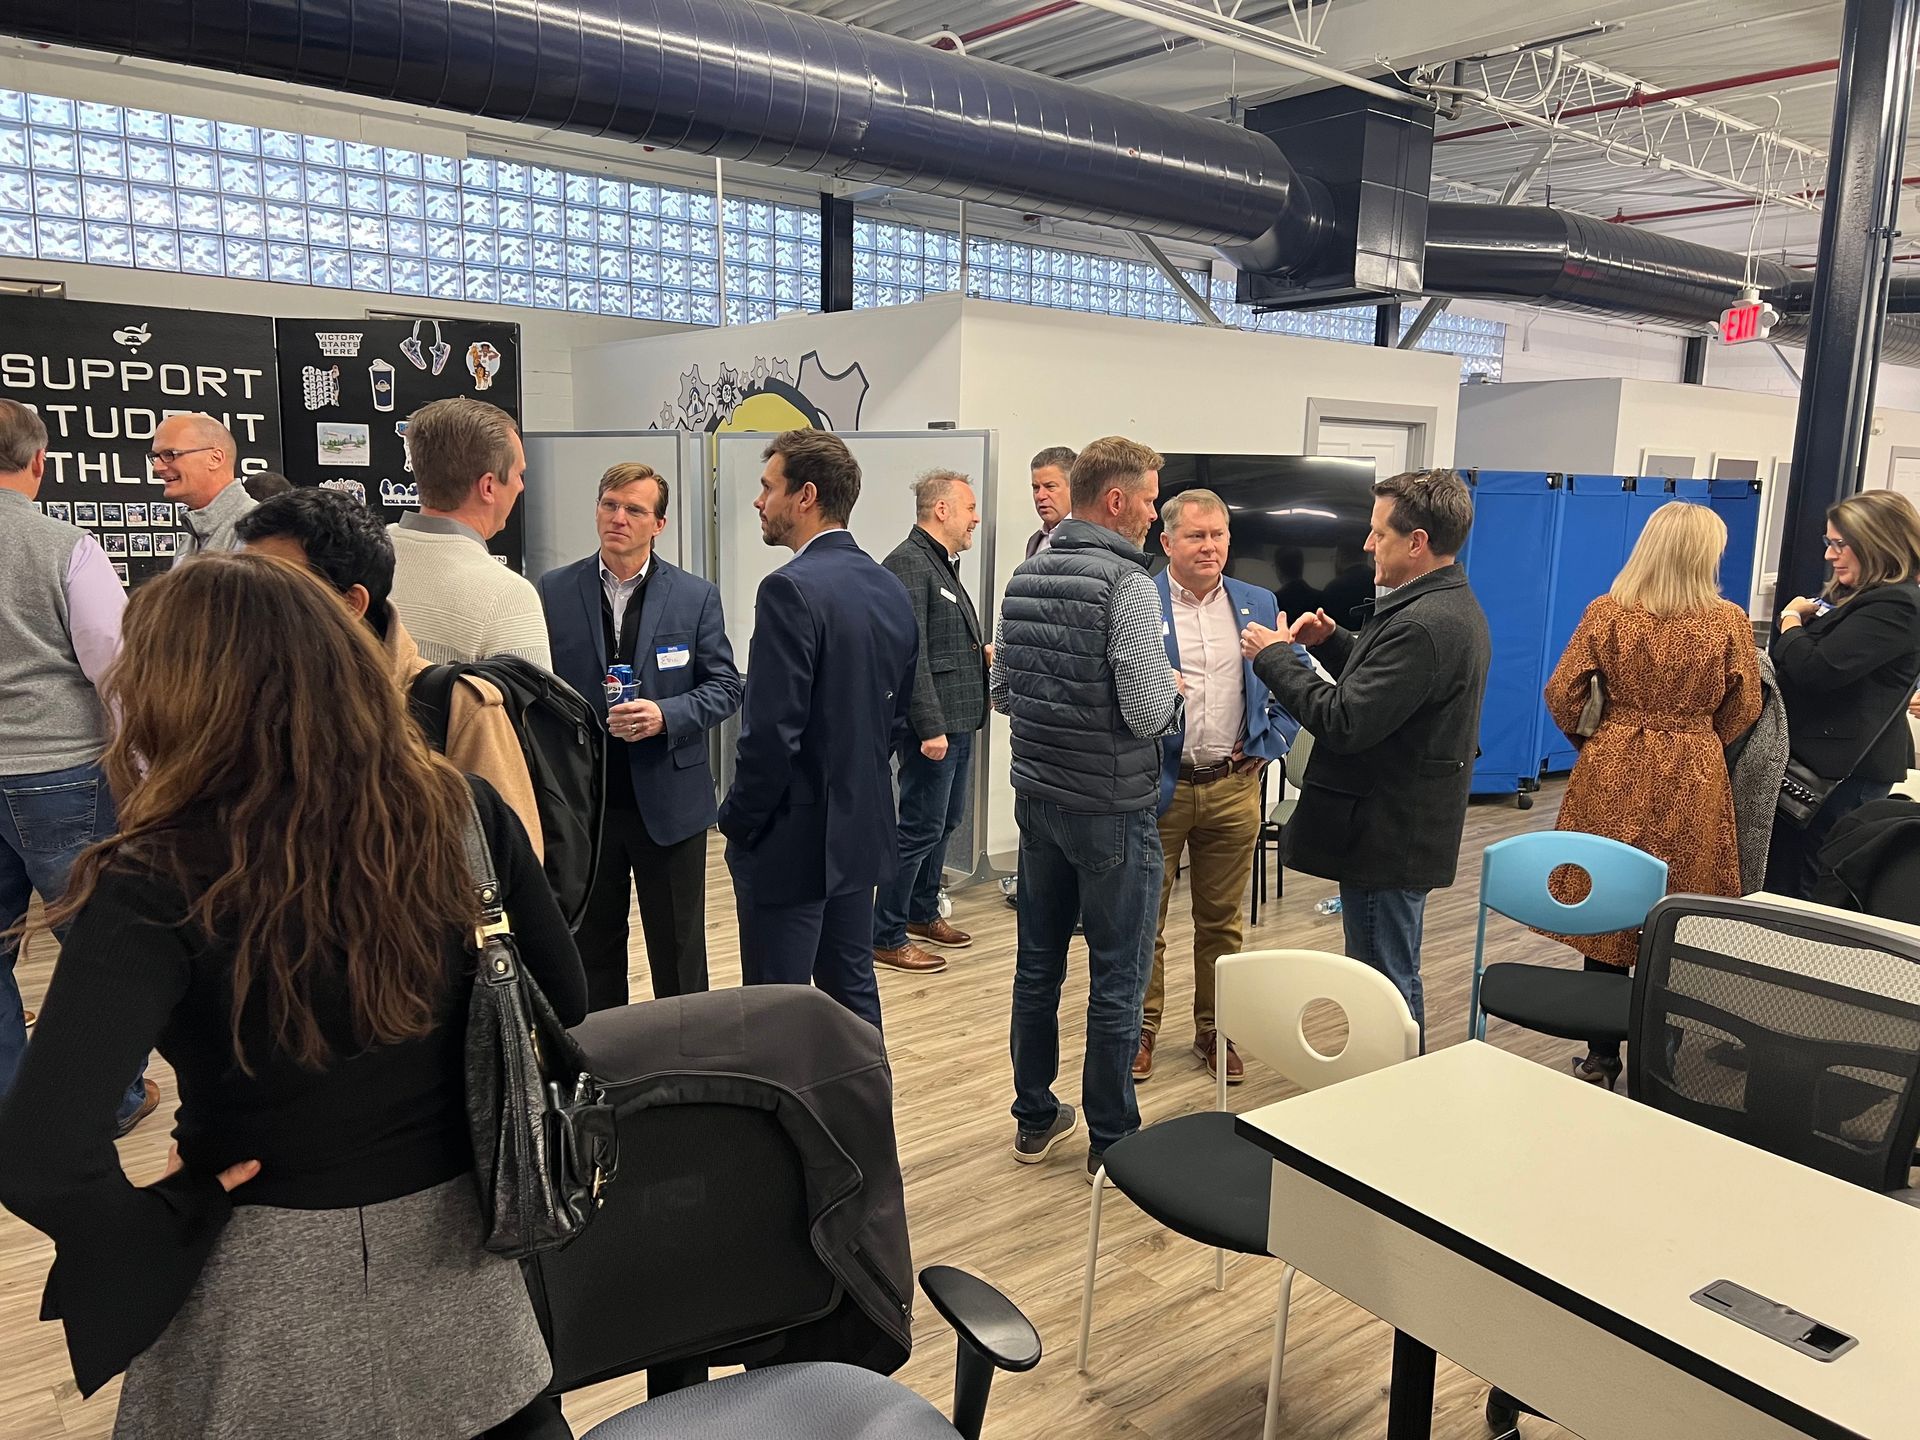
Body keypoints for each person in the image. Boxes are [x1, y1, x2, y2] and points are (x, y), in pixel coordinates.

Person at [0, 553, 585, 1438]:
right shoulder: (459, 812)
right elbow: (561, 997)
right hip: (466, 1267)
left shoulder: (159, 871)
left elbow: (39, 1152)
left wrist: (162, 1221)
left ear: (174, 693)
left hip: (256, 1278)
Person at [1240, 469, 1490, 1041]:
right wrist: (1332, 642)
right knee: (1388, 970)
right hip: (1397, 825)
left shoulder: (1425, 623)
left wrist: (1274, 657)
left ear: (1417, 541)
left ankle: (1393, 1099)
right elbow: (1393, 689)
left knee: (1385, 981)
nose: (1366, 545)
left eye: (1378, 534)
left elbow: (1345, 721)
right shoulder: (1440, 605)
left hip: (1387, 833)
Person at [992, 435, 1183, 1179]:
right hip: (1110, 810)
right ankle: (1113, 1139)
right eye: (1149, 498)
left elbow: (1004, 694)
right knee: (1118, 976)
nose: (1154, 512)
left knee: (1037, 968)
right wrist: (1174, 697)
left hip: (1038, 803)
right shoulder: (1128, 587)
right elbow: (1142, 713)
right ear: (1115, 501)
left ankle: (1034, 1116)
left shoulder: (1025, 576)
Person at [1539, 501, 1761, 1087]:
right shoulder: (1728, 620)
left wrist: (1599, 738)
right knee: (1681, 902)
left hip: (1613, 764)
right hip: (1694, 768)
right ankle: (1661, 1056)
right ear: (1702, 554)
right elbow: (1746, 705)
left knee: (1605, 907)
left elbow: (1562, 691)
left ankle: (1601, 1056)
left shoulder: (1607, 613)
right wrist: (1698, 736)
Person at [719, 430, 918, 1032]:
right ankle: (864, 1124)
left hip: (789, 839)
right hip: (860, 831)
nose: (758, 501)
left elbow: (770, 735)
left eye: (767, 487)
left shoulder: (788, 590)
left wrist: (738, 821)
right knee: (852, 997)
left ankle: (783, 1128)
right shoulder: (890, 587)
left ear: (805, 496)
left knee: (774, 1013)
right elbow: (896, 720)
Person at [0, 400, 158, 1138]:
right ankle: (115, 1100)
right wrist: (142, 767)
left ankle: (9, 1110)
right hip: (62, 775)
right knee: (102, 945)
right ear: (38, 462)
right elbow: (114, 666)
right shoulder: (65, 546)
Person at [236, 487, 544, 856]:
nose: (249, 605)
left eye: (277, 588)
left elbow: (511, 873)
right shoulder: (232, 701)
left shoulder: (458, 708)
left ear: (351, 603)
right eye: (245, 581)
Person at [538, 462, 742, 1009]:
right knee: (593, 950)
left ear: (660, 524)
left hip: (671, 805)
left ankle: (687, 1066)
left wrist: (666, 714)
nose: (618, 518)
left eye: (634, 510)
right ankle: (605, 1068)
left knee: (678, 954)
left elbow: (726, 686)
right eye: (609, 505)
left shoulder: (695, 597)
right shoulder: (554, 591)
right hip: (587, 805)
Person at [1139, 489, 1300, 1087]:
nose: (1210, 547)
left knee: (1222, 923)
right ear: (1168, 542)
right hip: (1161, 789)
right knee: (1143, 921)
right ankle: (1142, 1028)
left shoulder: (1258, 602)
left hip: (1234, 789)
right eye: (1196, 536)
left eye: (1219, 535)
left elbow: (1291, 681)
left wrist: (1269, 743)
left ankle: (1215, 1029)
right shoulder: (1140, 600)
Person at [1766, 489, 1920, 897]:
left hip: (1843, 773)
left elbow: (1817, 670)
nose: (1830, 556)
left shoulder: (1896, 605)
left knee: (1816, 886)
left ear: (1876, 544)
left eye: (1839, 544)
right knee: (1786, 879)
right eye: (1828, 543)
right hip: (1817, 761)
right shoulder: (1856, 598)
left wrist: (1789, 620)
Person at [872, 471, 987, 975]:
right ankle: (885, 934)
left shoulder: (939, 563)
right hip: (933, 727)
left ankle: (921, 912)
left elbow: (939, 642)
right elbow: (908, 656)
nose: (975, 518)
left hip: (958, 719)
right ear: (941, 510)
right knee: (918, 828)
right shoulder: (906, 563)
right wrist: (929, 726)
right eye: (969, 508)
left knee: (945, 822)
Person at [388, 397, 552, 669]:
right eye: (518, 474)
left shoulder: (355, 564)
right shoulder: (506, 596)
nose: (521, 486)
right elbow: (535, 712)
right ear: (488, 487)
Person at [151, 412, 257, 564]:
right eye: (155, 457)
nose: (157, 467)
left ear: (215, 459)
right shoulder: (191, 539)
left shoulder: (256, 533)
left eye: (169, 454)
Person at [1024, 445, 1076, 559]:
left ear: (1074, 487)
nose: (1040, 496)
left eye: (1050, 487)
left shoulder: (1087, 539)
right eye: (1036, 488)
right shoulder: (1034, 541)